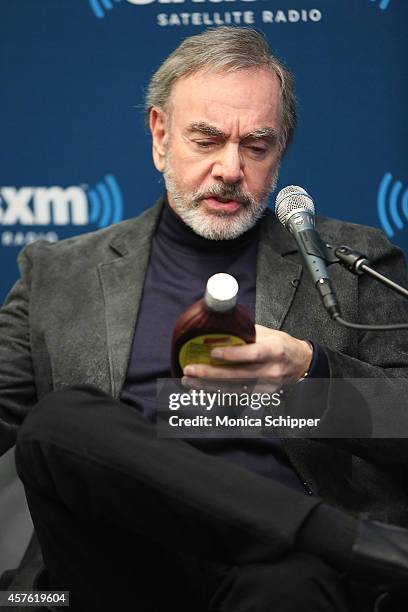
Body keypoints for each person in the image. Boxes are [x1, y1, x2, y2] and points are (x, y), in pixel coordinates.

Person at [1, 26, 408, 612]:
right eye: (207, 139)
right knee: (60, 421)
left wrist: (310, 372)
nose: (229, 168)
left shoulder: (349, 264)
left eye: (257, 146)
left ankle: (317, 540)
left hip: (280, 575)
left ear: (281, 149)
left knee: (291, 586)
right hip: (110, 568)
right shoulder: (58, 274)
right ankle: (338, 537)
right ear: (160, 136)